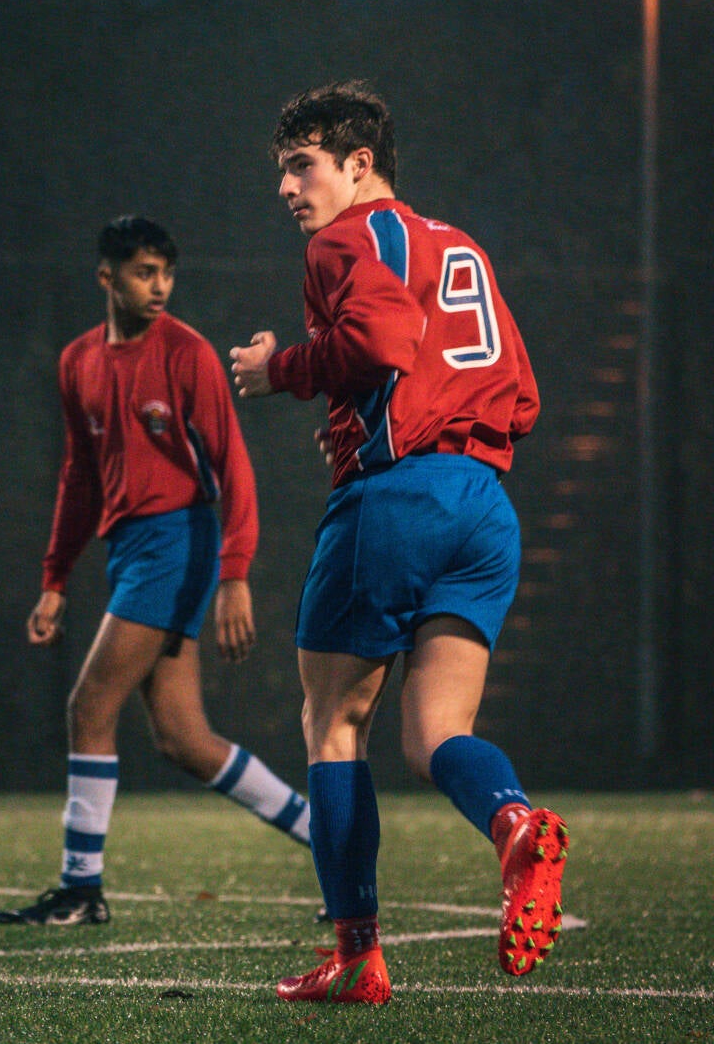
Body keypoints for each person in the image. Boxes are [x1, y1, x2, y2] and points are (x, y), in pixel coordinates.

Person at [230, 81, 568, 1004]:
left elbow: (379, 342)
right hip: (483, 505)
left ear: (359, 163)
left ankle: (356, 957)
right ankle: (513, 822)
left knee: (334, 722)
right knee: (436, 735)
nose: (288, 187)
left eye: (302, 165)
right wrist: (367, 423)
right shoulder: (460, 243)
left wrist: (281, 370)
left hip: (396, 504)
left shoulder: (345, 238)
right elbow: (522, 398)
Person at [0, 215, 310, 927]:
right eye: (144, 272)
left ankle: (81, 888)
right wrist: (55, 579)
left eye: (166, 272)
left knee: (88, 705)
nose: (160, 286)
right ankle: (331, 841)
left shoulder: (187, 353)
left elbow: (233, 463)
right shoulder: (78, 361)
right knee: (184, 741)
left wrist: (234, 572)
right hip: (131, 548)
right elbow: (79, 478)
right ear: (107, 277)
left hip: (177, 543)